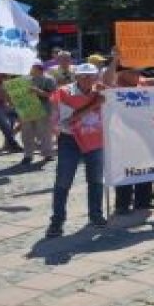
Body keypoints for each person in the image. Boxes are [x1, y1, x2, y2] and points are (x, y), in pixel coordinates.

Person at [105, 49, 154, 214]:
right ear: (123, 73)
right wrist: (115, 60)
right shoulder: (116, 86)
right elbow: (107, 80)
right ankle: (122, 205)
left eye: (138, 72)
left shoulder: (143, 83)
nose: (137, 75)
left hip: (146, 133)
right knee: (125, 169)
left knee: (146, 167)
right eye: (133, 72)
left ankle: (143, 201)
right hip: (123, 135)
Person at [46, 63, 107, 237]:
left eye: (91, 76)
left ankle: (96, 215)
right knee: (63, 181)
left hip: (95, 140)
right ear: (76, 77)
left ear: (96, 77)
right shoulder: (65, 92)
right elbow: (70, 120)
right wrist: (95, 104)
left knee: (95, 180)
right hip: (69, 140)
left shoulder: (101, 91)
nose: (88, 79)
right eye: (83, 76)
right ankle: (57, 221)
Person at [17, 61, 57, 167]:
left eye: (32, 67)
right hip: (26, 109)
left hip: (43, 109)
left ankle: (47, 153)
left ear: (38, 68)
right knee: (26, 133)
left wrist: (37, 91)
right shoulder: (24, 79)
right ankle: (28, 155)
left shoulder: (49, 79)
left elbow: (52, 95)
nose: (30, 69)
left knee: (44, 133)